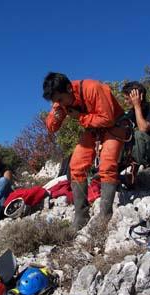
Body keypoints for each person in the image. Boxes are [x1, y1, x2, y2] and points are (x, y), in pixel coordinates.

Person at [43, 72, 125, 230]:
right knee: (76, 166)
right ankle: (81, 216)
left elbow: (108, 118)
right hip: (93, 129)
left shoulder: (93, 88)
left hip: (115, 127)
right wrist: (56, 116)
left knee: (107, 166)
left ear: (69, 88)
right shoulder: (59, 101)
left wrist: (80, 117)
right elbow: (51, 127)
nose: (59, 103)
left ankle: (105, 216)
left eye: (60, 100)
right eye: (55, 101)